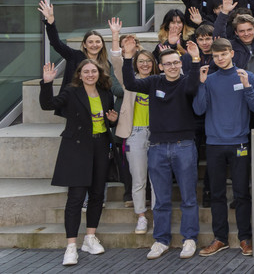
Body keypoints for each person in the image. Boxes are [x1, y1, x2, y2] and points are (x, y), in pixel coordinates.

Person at [121, 39, 202, 260]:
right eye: (168, 64)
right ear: (161, 66)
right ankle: (161, 240)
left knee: (188, 198)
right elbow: (130, 84)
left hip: (183, 146)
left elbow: (195, 88)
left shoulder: (186, 81)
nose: (172, 67)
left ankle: (189, 239)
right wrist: (128, 57)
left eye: (176, 63)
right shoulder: (153, 82)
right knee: (162, 199)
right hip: (156, 147)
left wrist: (195, 60)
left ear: (180, 64)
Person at [39, 59, 118, 266]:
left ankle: (90, 238)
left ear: (99, 74)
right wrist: (47, 83)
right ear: (80, 74)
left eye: (94, 71)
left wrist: (113, 120)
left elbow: (110, 119)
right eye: (86, 71)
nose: (90, 74)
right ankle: (71, 246)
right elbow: (48, 105)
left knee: (97, 194)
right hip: (77, 149)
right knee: (75, 198)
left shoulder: (106, 93)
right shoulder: (71, 92)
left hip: (101, 147)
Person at [193, 38, 254, 257]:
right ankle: (220, 238)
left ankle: (245, 238)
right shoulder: (209, 79)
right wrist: (202, 84)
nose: (220, 58)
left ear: (232, 53)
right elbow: (198, 109)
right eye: (216, 56)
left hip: (240, 142)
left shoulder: (246, 76)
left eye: (223, 54)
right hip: (214, 144)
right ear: (212, 57)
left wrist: (247, 88)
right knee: (217, 194)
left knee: (242, 194)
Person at [107, 18, 154, 236]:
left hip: (158, 134)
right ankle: (141, 216)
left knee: (157, 178)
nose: (144, 64)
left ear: (154, 64)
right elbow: (116, 62)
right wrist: (116, 37)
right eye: (140, 61)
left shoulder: (160, 81)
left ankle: (158, 213)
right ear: (135, 64)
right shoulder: (130, 82)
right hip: (134, 133)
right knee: (138, 178)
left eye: (148, 61)